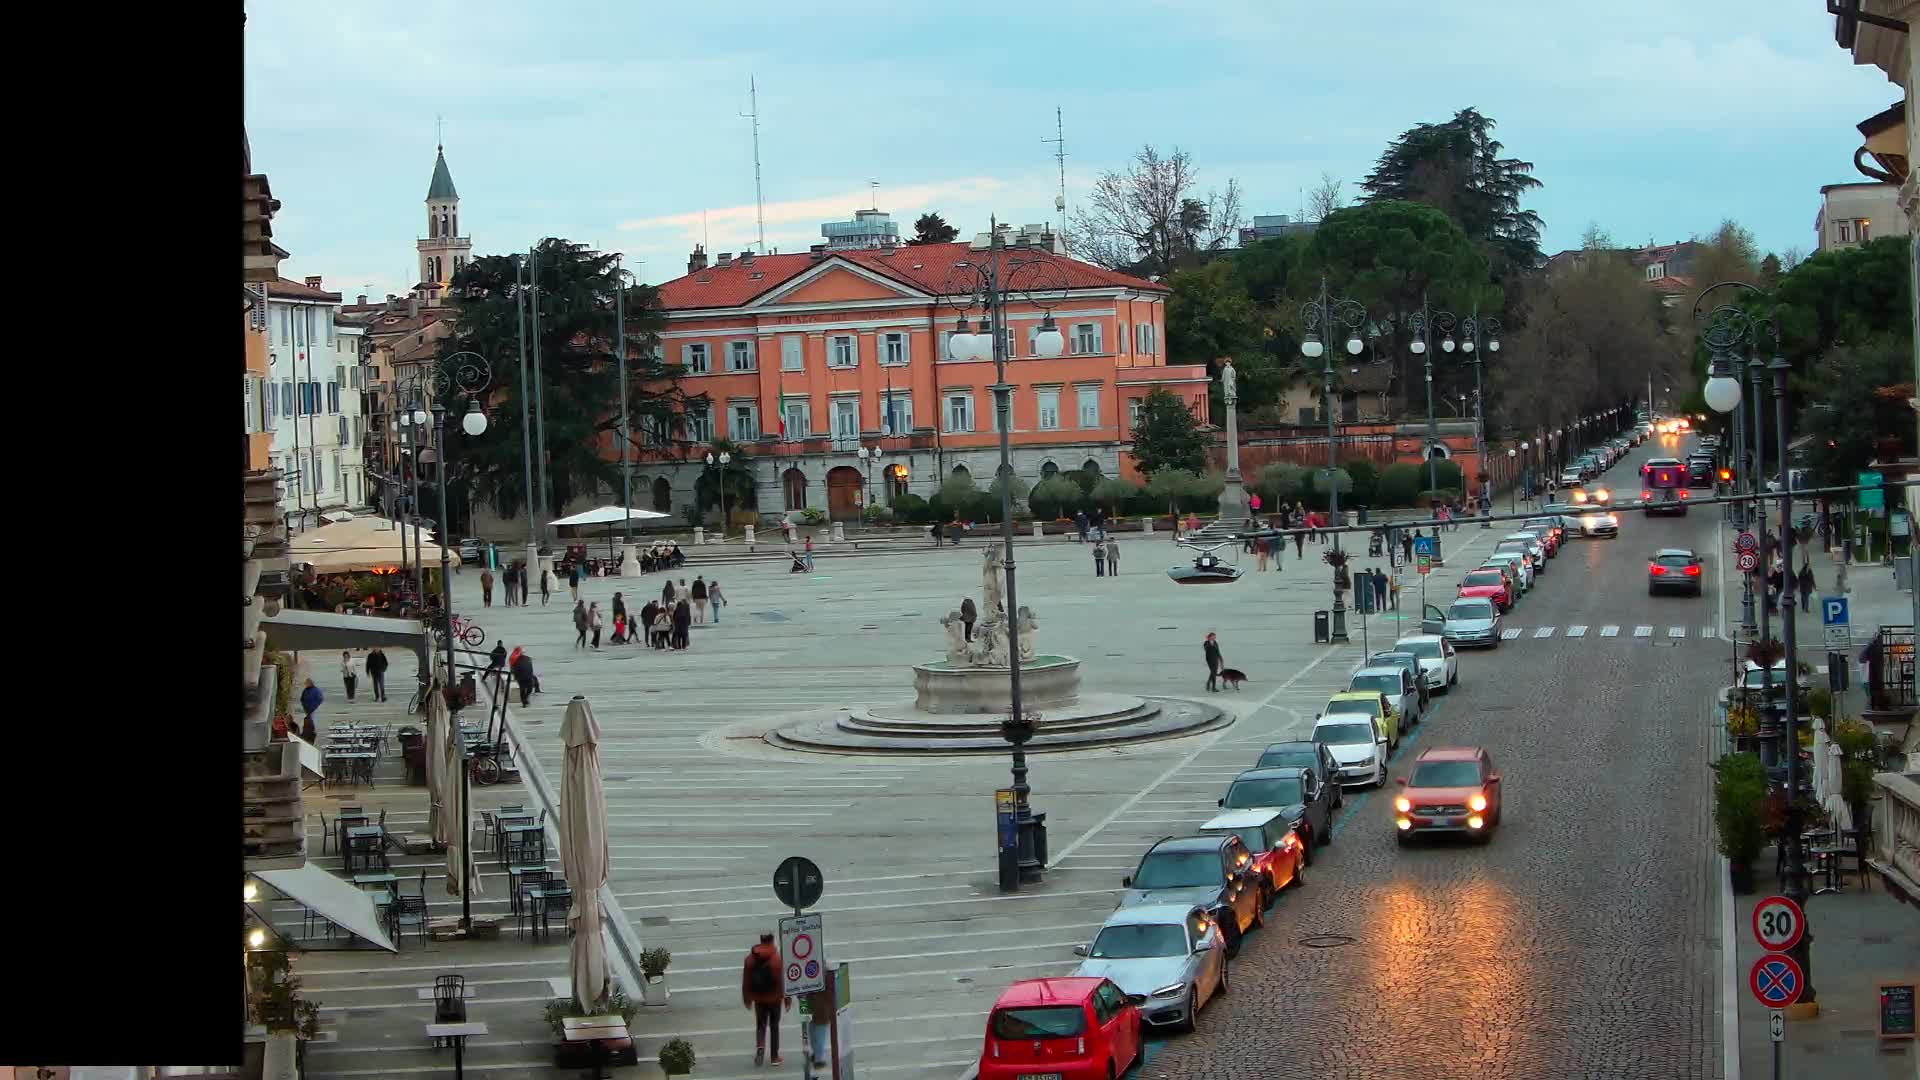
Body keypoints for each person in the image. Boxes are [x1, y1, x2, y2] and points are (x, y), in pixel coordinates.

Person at [742, 932, 790, 1067]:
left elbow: (746, 981)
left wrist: (747, 998)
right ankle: (774, 1057)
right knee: (774, 1027)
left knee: (761, 1025)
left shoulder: (749, 960)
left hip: (759, 999)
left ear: (761, 940)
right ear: (772, 940)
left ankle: (760, 1048)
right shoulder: (777, 960)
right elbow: (783, 982)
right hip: (775, 999)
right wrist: (787, 999)